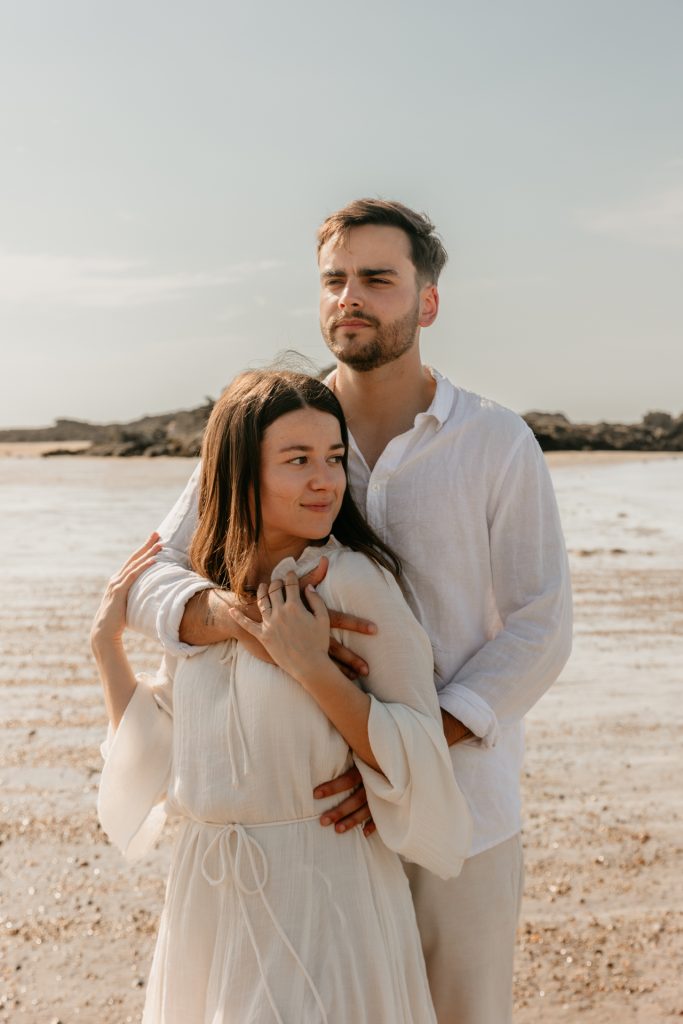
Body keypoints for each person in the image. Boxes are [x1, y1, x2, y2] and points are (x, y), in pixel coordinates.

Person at [126, 199, 573, 1024]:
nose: (350, 298)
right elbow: (152, 572)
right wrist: (241, 622)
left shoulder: (494, 442)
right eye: (334, 280)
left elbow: (541, 626)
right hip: (314, 831)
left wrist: (400, 758)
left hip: (459, 811)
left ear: (426, 302)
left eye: (376, 278)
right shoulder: (281, 424)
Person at [94, 370, 472, 1024]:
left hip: (320, 885)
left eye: (332, 458)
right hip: (209, 894)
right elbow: (166, 732)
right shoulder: (202, 600)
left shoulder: (353, 581)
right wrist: (106, 646)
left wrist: (310, 666)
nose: (324, 480)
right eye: (297, 460)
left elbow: (416, 742)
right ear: (239, 471)